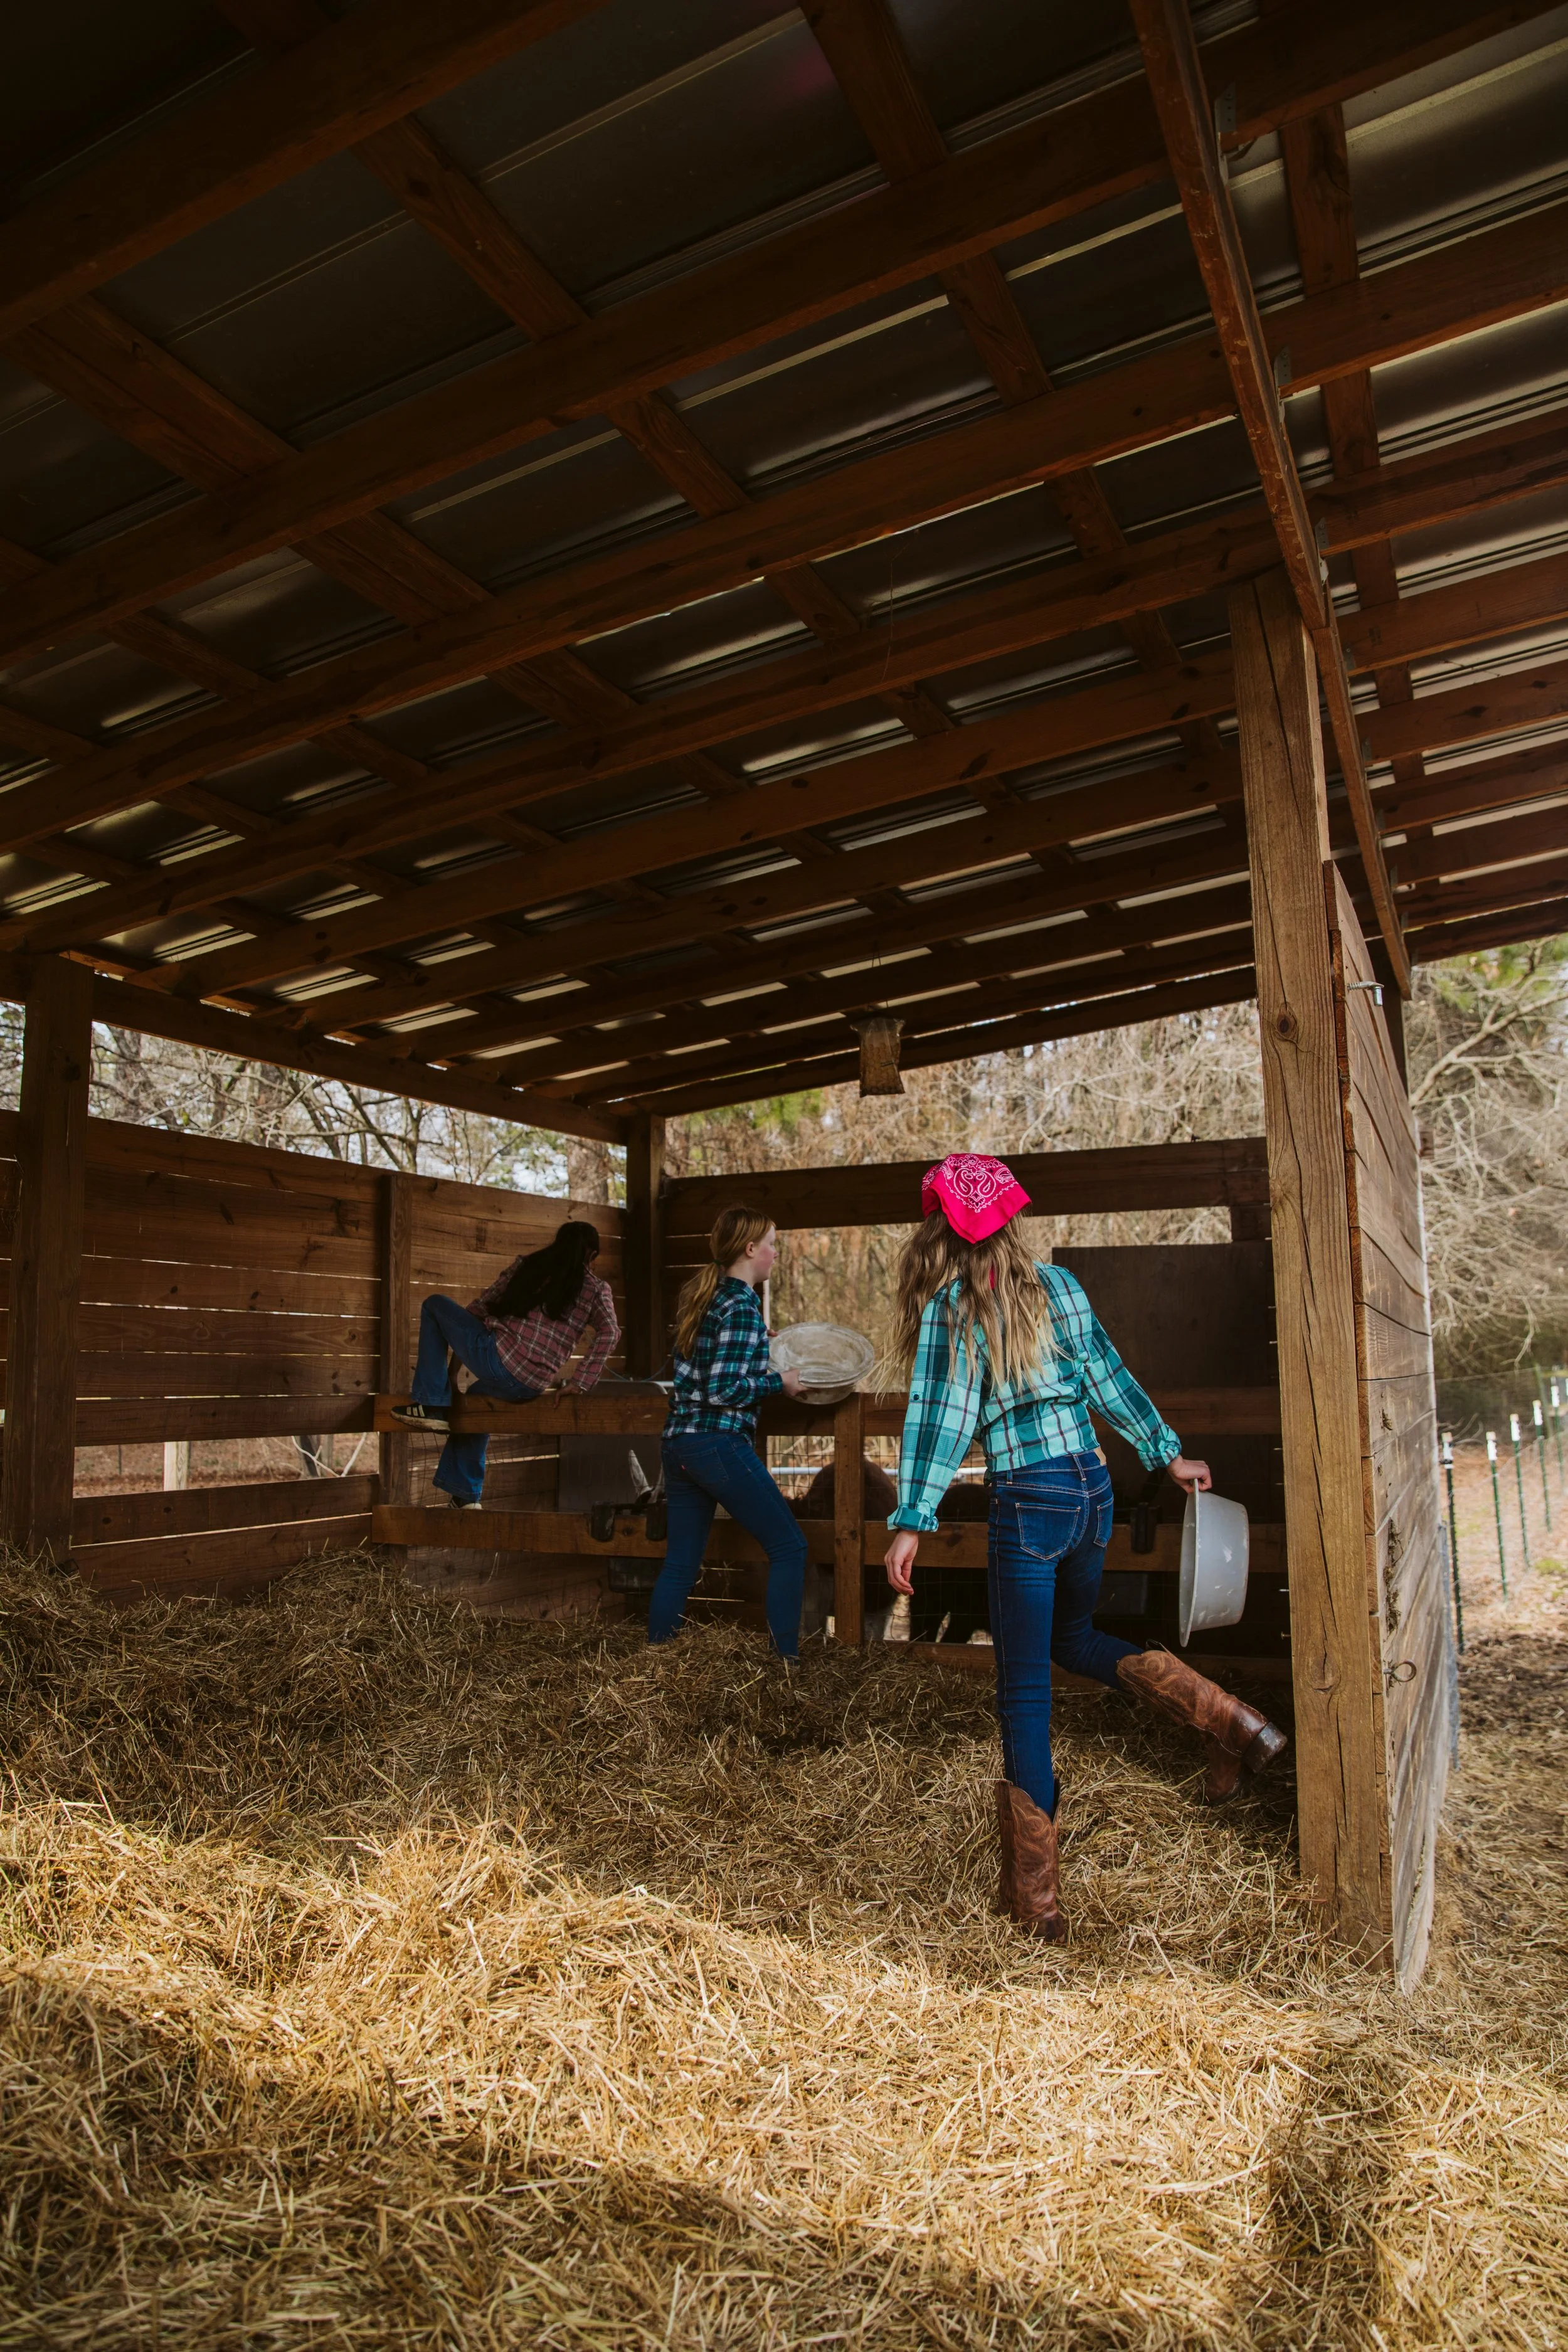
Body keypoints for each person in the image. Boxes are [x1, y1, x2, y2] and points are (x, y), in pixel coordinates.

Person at [883, 1153, 1286, 1944]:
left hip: (1030, 1499)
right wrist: (1166, 1453)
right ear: (1008, 1218)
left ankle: (1035, 1904)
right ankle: (1230, 1721)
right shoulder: (1060, 1288)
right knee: (1075, 1639)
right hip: (1091, 1489)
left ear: (942, 1226)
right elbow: (1108, 1376)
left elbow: (941, 1418)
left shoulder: (955, 1309)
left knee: (1024, 1691)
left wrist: (912, 1516)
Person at [647, 1205, 808, 1660]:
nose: (776, 1254)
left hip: (679, 1442)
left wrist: (761, 1343)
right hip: (716, 1441)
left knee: (680, 1562)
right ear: (751, 1249)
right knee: (790, 1546)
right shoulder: (740, 1305)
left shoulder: (710, 1299)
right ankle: (786, 1665)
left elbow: (703, 1371)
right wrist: (783, 1382)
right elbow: (722, 1389)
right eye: (772, 1244)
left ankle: (655, 1661)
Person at [393, 1220, 617, 1507]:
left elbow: (476, 1313)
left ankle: (431, 1404)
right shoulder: (597, 1289)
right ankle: (465, 1497)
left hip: (498, 1362)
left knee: (434, 1305)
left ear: (557, 1243)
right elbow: (611, 1331)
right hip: (531, 1385)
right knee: (476, 1401)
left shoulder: (529, 1267)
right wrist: (578, 1383)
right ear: (592, 1256)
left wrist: (450, 1380)